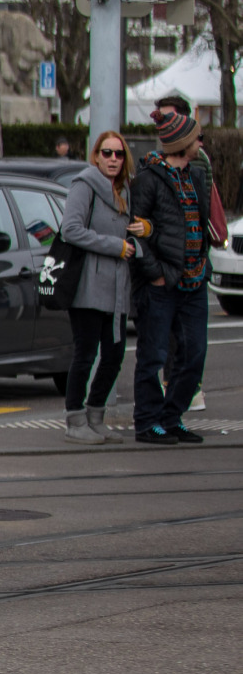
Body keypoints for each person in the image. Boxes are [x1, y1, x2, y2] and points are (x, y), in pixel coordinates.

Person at [126, 103, 221, 444]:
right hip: (162, 284)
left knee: (193, 353)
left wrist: (203, 264)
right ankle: (148, 421)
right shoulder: (148, 180)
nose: (202, 144)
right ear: (182, 143)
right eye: (198, 138)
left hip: (194, 281)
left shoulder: (196, 175)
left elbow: (200, 224)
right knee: (154, 355)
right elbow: (134, 232)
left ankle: (171, 415)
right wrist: (155, 274)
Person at [56, 131, 136, 443]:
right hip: (88, 286)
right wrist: (114, 246)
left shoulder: (126, 190)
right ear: (96, 156)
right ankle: (74, 420)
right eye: (107, 153)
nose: (113, 159)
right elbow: (70, 229)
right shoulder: (84, 184)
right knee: (86, 353)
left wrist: (140, 238)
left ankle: (95, 415)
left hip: (118, 289)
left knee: (114, 355)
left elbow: (132, 238)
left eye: (118, 154)